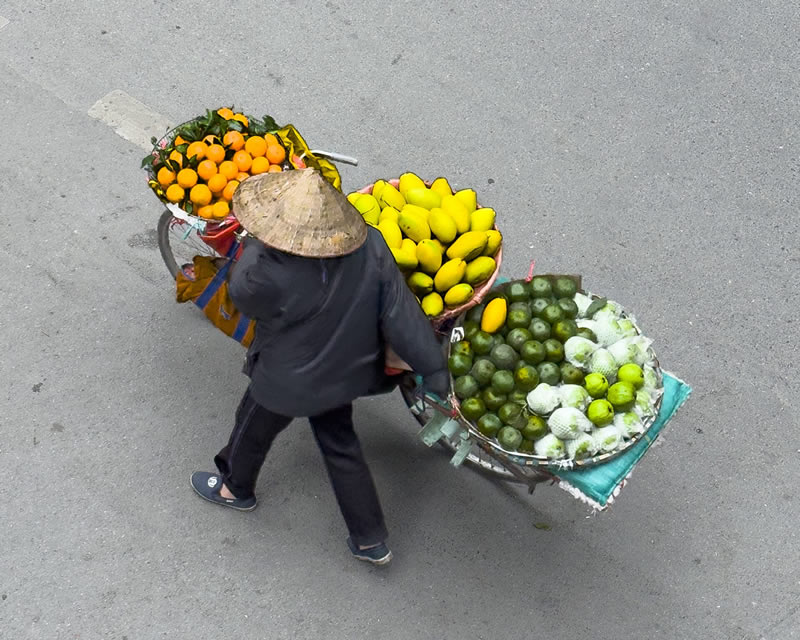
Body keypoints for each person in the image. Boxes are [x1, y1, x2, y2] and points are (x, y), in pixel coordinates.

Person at [190, 168, 449, 566]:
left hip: (287, 376)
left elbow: (244, 299)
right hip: (345, 369)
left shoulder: (262, 271)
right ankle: (370, 540)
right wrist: (434, 369)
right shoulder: (372, 244)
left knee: (252, 423)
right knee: (340, 445)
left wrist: (259, 247)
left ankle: (233, 487)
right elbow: (402, 314)